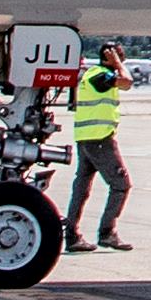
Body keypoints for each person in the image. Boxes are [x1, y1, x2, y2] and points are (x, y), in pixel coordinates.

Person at [61, 43, 132, 251]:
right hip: (99, 140)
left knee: (81, 190)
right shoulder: (99, 75)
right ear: (110, 57)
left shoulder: (91, 75)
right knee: (121, 185)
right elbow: (127, 82)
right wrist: (117, 64)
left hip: (86, 139)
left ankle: (72, 237)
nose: (122, 59)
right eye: (120, 56)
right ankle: (107, 233)